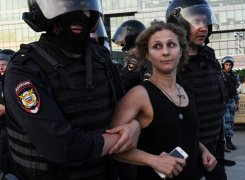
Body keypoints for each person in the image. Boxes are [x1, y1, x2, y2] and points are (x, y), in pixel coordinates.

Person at [3, 0, 140, 179]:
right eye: (66, 7)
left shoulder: (101, 59)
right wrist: (118, 140)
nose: (78, 16)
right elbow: (60, 146)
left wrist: (134, 126)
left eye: (84, 7)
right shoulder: (25, 69)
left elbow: (123, 111)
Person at [110, 20, 217, 180]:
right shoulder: (139, 94)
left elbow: (185, 133)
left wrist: (203, 150)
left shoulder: (188, 92)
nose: (165, 52)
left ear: (181, 51)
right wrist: (152, 160)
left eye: (171, 45)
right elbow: (112, 146)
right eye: (157, 46)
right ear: (147, 54)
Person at [166, 0, 230, 179]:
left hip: (214, 146)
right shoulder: (169, 62)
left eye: (205, 20)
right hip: (184, 151)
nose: (203, 27)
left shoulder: (209, 56)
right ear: (179, 24)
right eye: (196, 21)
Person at [112, 20, 152, 91]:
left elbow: (123, 81)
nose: (121, 41)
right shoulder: (141, 56)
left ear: (131, 37)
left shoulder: (135, 60)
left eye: (123, 36)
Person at [0, 49, 15, 172]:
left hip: (13, 127)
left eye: (3, 64)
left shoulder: (15, 82)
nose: (1, 68)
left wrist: (7, 109)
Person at [221, 56, 239, 151]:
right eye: (226, 64)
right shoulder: (219, 75)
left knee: (231, 122)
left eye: (230, 64)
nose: (228, 66)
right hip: (223, 102)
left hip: (231, 101)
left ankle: (229, 141)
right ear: (223, 65)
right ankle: (222, 143)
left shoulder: (234, 76)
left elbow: (235, 90)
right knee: (225, 123)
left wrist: (237, 101)